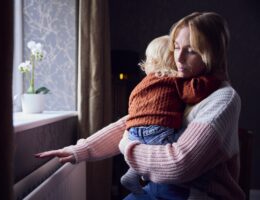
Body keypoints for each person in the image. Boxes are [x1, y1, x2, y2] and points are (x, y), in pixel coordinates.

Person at [35, 11, 245, 200]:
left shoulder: (223, 98)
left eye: (191, 51)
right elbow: (134, 123)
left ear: (211, 54)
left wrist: (128, 146)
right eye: (177, 47)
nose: (178, 58)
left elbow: (179, 164)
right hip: (157, 189)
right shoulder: (180, 85)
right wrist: (79, 150)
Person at [120, 35, 220, 196]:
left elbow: (132, 103)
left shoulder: (143, 83)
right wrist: (213, 80)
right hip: (158, 130)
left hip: (132, 132)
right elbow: (194, 93)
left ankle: (132, 173)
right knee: (194, 148)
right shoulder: (175, 79)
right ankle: (198, 190)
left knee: (144, 146)